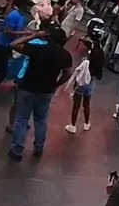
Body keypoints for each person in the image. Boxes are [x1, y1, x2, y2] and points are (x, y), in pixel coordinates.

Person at [8, 27, 74, 161]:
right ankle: (38, 148)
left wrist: (33, 36)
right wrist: (57, 84)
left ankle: (17, 150)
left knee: (22, 119)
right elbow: (68, 73)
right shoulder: (65, 55)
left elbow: (14, 44)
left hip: (27, 87)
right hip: (46, 90)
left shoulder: (37, 49)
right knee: (41, 120)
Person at [65, 37, 104, 134]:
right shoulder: (98, 66)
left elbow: (76, 72)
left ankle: (73, 125)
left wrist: (70, 85)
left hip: (80, 86)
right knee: (86, 104)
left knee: (76, 105)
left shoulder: (86, 62)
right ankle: (86, 123)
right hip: (90, 86)